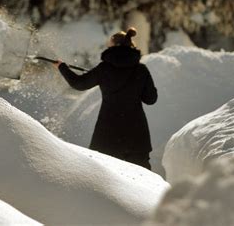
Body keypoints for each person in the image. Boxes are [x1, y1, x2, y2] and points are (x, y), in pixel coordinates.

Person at [54, 27, 158, 170]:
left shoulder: (104, 69)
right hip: (136, 134)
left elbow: (79, 84)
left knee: (104, 174)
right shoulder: (141, 70)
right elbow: (151, 99)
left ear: (114, 47)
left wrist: (62, 67)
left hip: (108, 133)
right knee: (141, 178)